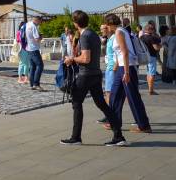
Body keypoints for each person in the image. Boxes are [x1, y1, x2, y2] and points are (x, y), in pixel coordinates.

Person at [60, 11, 126, 146]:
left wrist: (71, 59)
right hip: (96, 73)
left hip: (86, 75)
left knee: (76, 103)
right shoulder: (94, 34)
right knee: (101, 104)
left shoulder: (85, 36)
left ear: (75, 23)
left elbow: (86, 58)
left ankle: (76, 137)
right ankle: (118, 135)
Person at [105, 14, 152, 133]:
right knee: (115, 95)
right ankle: (114, 122)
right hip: (122, 67)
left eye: (107, 24)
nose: (106, 26)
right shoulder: (121, 31)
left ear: (110, 24)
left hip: (127, 67)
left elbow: (125, 52)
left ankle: (144, 125)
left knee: (133, 97)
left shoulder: (119, 32)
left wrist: (126, 72)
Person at [139, 23, 162, 95]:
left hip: (145, 56)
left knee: (148, 72)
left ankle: (150, 88)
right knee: (152, 73)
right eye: (152, 29)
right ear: (149, 30)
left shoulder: (141, 37)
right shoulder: (152, 38)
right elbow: (156, 48)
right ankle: (151, 90)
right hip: (152, 56)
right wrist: (160, 46)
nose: (153, 30)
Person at [25, 17, 44, 90]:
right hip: (34, 49)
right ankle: (36, 83)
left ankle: (31, 84)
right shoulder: (34, 27)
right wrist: (41, 37)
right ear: (37, 20)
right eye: (40, 22)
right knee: (40, 65)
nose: (40, 23)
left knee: (32, 67)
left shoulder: (28, 24)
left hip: (28, 48)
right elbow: (37, 39)